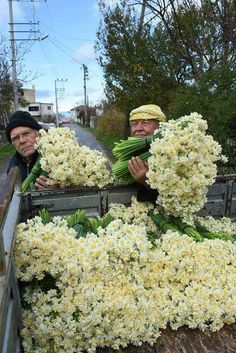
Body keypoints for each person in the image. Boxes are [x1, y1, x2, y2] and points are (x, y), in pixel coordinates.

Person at [127, 104, 166, 203]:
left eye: (145, 123)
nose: (138, 128)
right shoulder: (127, 153)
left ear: (160, 126)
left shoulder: (169, 155)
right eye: (134, 124)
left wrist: (148, 181)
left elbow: (172, 198)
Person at [5, 110, 53, 189]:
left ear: (39, 134)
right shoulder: (13, 166)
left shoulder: (55, 160)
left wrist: (58, 190)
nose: (21, 141)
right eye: (15, 138)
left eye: (26, 134)